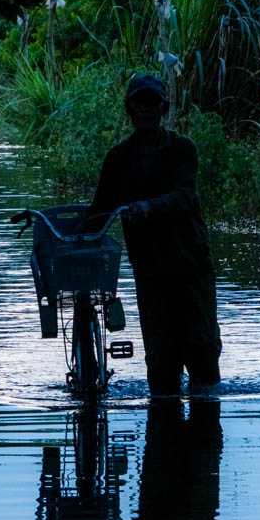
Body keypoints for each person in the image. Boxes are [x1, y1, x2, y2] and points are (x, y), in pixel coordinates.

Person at [86, 73, 222, 396]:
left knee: (202, 352)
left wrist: (146, 208)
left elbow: (185, 197)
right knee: (161, 365)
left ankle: (204, 440)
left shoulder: (182, 150)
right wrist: (59, 229)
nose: (146, 110)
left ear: (163, 108)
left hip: (190, 266)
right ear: (129, 110)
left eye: (152, 103)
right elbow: (99, 211)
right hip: (150, 272)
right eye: (139, 103)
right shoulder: (118, 159)